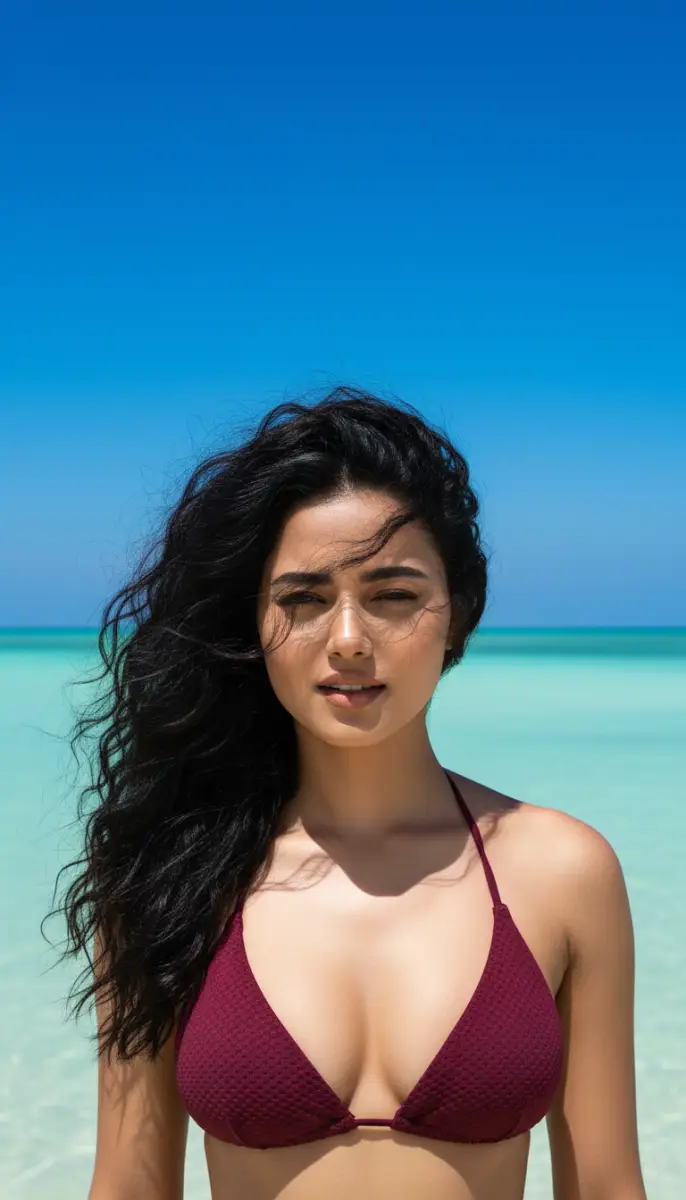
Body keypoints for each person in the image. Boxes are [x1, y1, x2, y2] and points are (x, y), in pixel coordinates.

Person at [50, 386, 646, 1200]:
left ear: (457, 616)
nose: (349, 640)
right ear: (253, 625)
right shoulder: (167, 876)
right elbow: (128, 1186)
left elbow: (609, 1188)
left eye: (394, 596)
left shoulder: (564, 872)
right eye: (303, 599)